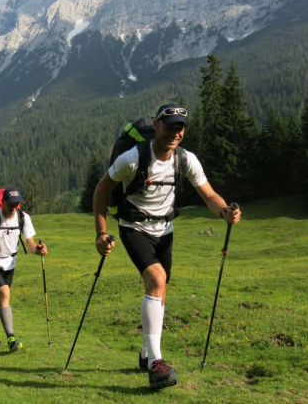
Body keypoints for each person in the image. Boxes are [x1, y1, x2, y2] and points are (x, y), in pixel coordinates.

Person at [93, 104, 241, 389]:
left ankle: (146, 353)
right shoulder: (132, 158)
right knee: (156, 279)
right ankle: (156, 364)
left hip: (165, 230)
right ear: (157, 126)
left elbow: (208, 194)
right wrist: (101, 232)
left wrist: (224, 211)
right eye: (170, 125)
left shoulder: (186, 160)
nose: (175, 132)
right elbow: (102, 189)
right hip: (133, 226)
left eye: (180, 127)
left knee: (160, 290)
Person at [0, 187, 48, 352]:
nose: (14, 208)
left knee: (0, 297)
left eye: (17, 204)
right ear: (3, 203)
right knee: (5, 293)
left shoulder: (23, 218)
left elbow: (30, 244)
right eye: (11, 204)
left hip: (10, 263)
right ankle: (11, 338)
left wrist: (39, 249)